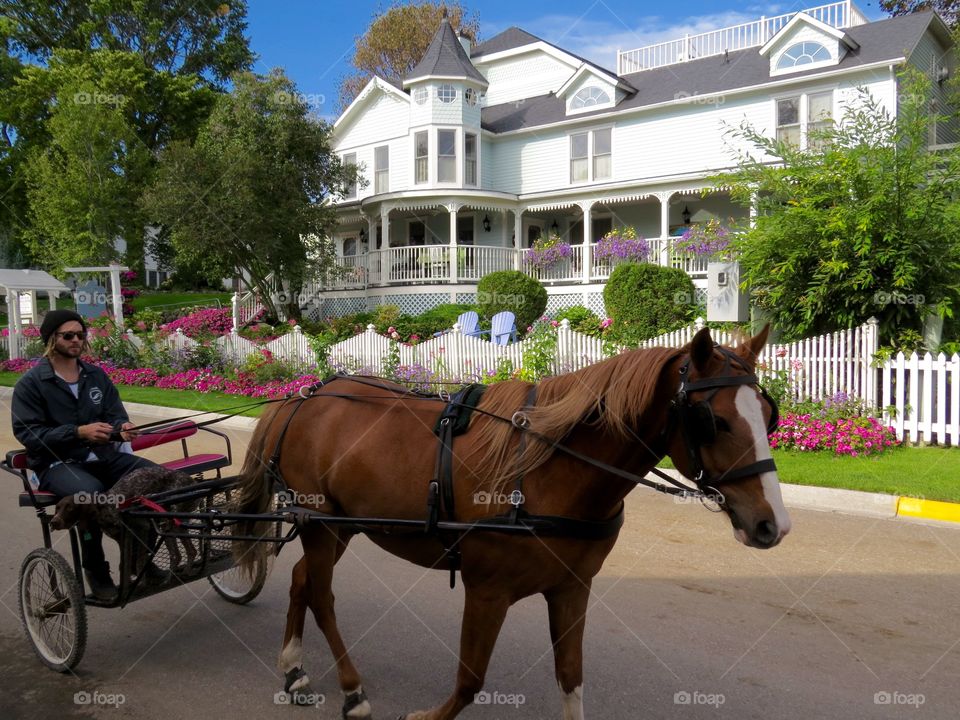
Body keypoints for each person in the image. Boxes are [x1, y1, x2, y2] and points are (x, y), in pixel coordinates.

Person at [11, 310, 159, 600]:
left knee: (153, 479)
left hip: (103, 457)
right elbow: (29, 435)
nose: (76, 340)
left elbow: (115, 416)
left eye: (80, 334)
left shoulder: (95, 375)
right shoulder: (30, 384)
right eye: (68, 335)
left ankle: (140, 561)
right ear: (52, 339)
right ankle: (96, 572)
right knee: (89, 496)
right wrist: (78, 432)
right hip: (57, 463)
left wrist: (122, 429)